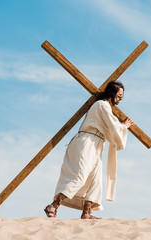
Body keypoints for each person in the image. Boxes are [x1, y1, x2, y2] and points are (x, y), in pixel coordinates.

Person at [44, 81, 134, 219]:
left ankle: (86, 213)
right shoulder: (101, 105)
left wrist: (120, 126)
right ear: (112, 93)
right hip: (87, 143)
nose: (121, 98)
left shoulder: (106, 108)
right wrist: (123, 126)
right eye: (120, 95)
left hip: (97, 145)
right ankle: (53, 205)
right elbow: (113, 126)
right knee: (80, 175)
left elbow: (110, 128)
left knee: (96, 180)